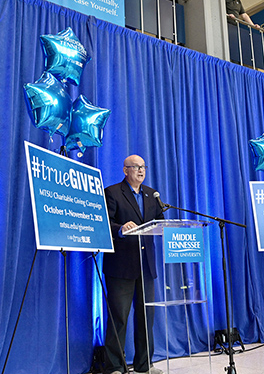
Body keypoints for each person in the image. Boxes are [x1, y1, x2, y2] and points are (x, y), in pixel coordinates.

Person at [102, 155, 164, 374]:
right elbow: (104, 223)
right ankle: (114, 367)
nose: (141, 170)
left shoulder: (151, 194)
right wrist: (120, 228)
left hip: (146, 266)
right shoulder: (112, 192)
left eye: (143, 167)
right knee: (118, 317)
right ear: (125, 170)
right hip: (121, 266)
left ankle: (144, 365)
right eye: (136, 167)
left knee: (147, 317)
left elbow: (159, 223)